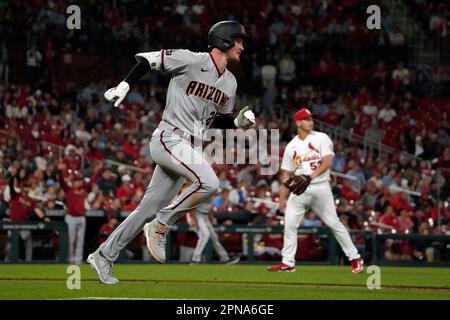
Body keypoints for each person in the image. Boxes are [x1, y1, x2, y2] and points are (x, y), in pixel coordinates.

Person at [87, 21, 256, 284]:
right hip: (170, 137)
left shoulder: (230, 83)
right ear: (224, 40)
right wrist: (125, 84)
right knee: (210, 183)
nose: (242, 46)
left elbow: (218, 120)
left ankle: (104, 255)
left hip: (188, 147)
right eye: (239, 40)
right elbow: (147, 59)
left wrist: (236, 123)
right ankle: (162, 223)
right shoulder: (191, 60)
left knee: (145, 210)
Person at [268, 108, 363, 273]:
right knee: (289, 224)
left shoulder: (321, 138)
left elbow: (327, 162)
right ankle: (288, 263)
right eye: (306, 119)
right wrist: (282, 199)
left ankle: (355, 258)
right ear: (298, 123)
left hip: (321, 187)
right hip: (300, 191)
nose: (310, 121)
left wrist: (310, 177)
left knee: (334, 223)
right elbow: (286, 176)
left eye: (311, 118)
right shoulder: (291, 146)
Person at [58, 161, 103, 265]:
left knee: (80, 240)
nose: (79, 182)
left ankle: (77, 261)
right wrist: (60, 171)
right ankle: (70, 259)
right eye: (77, 181)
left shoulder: (84, 189)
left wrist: (97, 170)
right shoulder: (68, 189)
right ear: (73, 182)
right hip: (71, 217)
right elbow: (61, 181)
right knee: (71, 240)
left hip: (81, 217)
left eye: (79, 181)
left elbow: (92, 180)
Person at [4, 168, 50, 261]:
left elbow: (37, 210)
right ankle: (6, 261)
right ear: (21, 187)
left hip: (24, 224)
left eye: (27, 186)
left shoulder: (31, 200)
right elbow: (11, 186)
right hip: (13, 223)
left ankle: (28, 262)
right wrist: (13, 176)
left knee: (28, 243)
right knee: (10, 244)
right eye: (24, 186)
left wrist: (44, 217)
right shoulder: (15, 195)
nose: (25, 188)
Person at [191, 199, 240, 264]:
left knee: (214, 237)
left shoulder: (212, 193)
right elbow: (193, 207)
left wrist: (212, 218)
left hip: (206, 216)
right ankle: (195, 259)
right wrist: (195, 220)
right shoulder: (202, 192)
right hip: (199, 215)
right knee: (205, 235)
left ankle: (224, 258)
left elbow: (210, 208)